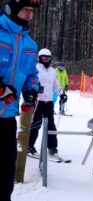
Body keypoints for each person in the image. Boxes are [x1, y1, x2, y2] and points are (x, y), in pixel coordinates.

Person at [0, 1, 41, 200]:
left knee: (7, 168)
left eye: (32, 10)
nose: (29, 14)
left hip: (7, 117)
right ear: (12, 8)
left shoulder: (30, 45)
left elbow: (31, 73)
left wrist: (31, 91)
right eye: (26, 9)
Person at [27, 48, 67, 159]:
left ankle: (52, 147)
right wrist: (34, 90)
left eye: (48, 58)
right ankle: (29, 146)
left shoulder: (52, 71)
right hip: (38, 101)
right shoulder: (36, 69)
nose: (46, 60)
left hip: (48, 102)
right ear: (40, 58)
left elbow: (56, 85)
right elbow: (30, 82)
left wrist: (62, 94)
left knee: (51, 125)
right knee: (36, 124)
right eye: (44, 57)